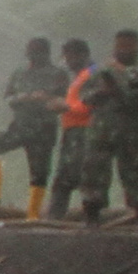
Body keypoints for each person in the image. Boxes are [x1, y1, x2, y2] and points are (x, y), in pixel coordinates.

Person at [0, 36, 57, 211]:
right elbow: (9, 97)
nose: (34, 55)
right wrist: (23, 98)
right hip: (20, 126)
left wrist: (46, 99)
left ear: (47, 53)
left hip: (44, 129)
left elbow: (65, 98)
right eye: (31, 51)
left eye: (38, 51)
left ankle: (33, 212)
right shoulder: (19, 73)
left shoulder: (57, 74)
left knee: (39, 172)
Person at [91, 26, 138, 223]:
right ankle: (92, 213)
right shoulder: (102, 68)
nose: (123, 50)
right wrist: (100, 93)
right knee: (95, 171)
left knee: (134, 172)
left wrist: (122, 76)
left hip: (131, 129)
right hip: (102, 129)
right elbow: (85, 93)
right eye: (120, 46)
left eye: (129, 46)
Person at [48, 35, 111, 220]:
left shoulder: (94, 74)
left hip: (87, 133)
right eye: (65, 57)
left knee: (87, 177)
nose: (67, 61)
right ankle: (55, 219)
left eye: (70, 57)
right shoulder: (78, 77)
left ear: (83, 54)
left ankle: (92, 219)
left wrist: (67, 107)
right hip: (72, 132)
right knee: (64, 178)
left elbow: (95, 104)